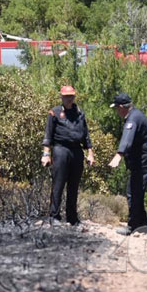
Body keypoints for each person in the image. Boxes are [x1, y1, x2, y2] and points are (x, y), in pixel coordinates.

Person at [42, 85, 95, 226]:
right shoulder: (54, 112)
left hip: (77, 151)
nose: (69, 99)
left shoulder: (79, 113)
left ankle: (72, 217)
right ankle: (54, 216)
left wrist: (90, 153)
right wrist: (46, 154)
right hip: (60, 150)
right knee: (58, 184)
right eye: (66, 96)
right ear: (61, 97)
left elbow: (86, 135)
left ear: (74, 96)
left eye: (71, 96)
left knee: (74, 186)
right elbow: (48, 135)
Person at [108, 93, 147, 235]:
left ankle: (132, 226)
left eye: (117, 108)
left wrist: (119, 155)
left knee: (133, 193)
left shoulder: (133, 119)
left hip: (143, 163)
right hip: (141, 163)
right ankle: (143, 225)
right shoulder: (135, 115)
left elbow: (127, 139)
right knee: (136, 193)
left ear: (122, 107)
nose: (117, 112)